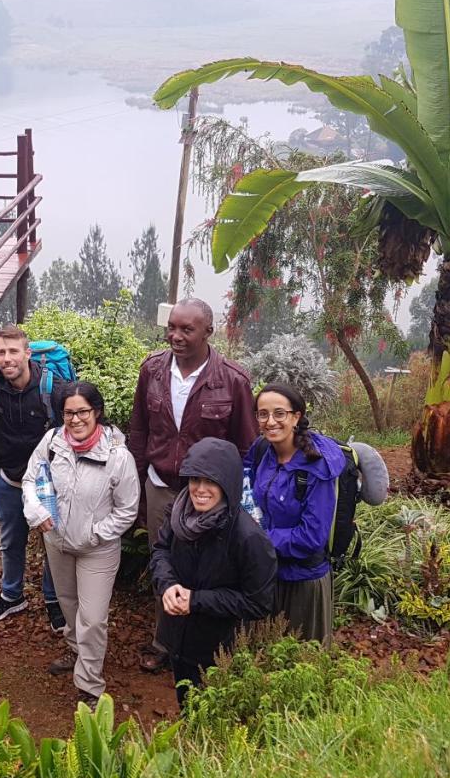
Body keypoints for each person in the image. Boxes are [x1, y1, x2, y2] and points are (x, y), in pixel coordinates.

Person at [128, 298, 258, 672]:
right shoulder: (151, 370)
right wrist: (136, 487)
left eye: (187, 329)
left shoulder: (233, 380)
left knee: (210, 568)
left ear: (208, 332)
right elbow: (139, 431)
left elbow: (245, 447)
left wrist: (236, 501)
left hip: (209, 494)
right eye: (172, 327)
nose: (176, 336)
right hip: (160, 486)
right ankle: (166, 641)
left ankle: (210, 646)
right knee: (164, 562)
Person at [21, 382, 139, 706]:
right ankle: (77, 653)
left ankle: (90, 684)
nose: (75, 419)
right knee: (68, 604)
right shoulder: (52, 442)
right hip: (56, 541)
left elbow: (128, 509)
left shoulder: (117, 456)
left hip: (97, 549)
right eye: (68, 413)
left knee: (94, 616)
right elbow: (31, 480)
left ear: (96, 412)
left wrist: (94, 533)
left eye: (82, 411)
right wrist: (35, 510)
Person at [149, 437, 276, 705]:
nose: (200, 489)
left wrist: (195, 601)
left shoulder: (248, 538)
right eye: (195, 480)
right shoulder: (179, 513)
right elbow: (160, 550)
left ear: (227, 484)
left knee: (213, 714)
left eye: (211, 482)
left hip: (220, 646)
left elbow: (258, 602)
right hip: (178, 637)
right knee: (186, 702)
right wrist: (168, 585)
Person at [0, 324, 66, 633]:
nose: (7, 358)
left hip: (47, 483)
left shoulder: (53, 389)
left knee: (52, 542)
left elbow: (74, 431)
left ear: (27, 353)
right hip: (9, 479)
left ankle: (54, 601)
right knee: (10, 541)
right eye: (1, 352)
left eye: (13, 351)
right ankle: (11, 595)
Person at [244, 384, 346, 648]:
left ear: (296, 417)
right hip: (267, 573)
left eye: (280, 413)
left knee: (301, 661)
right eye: (262, 414)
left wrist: (259, 540)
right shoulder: (261, 451)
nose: (270, 422)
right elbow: (247, 491)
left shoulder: (316, 466)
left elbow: (312, 537)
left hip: (303, 581)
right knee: (263, 654)